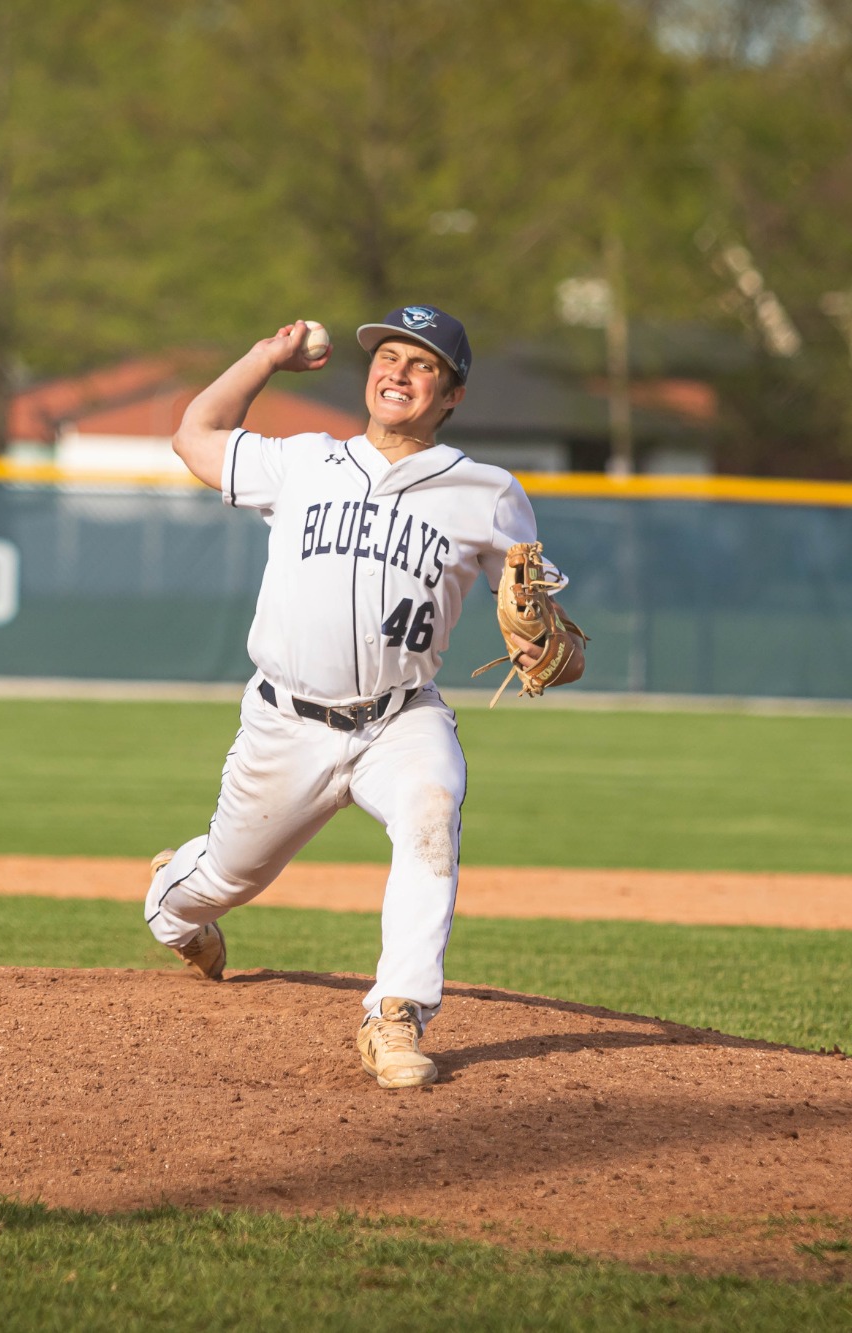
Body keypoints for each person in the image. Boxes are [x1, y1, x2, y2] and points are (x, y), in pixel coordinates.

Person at [143, 305, 583, 1088]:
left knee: (431, 813)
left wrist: (537, 639)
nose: (398, 372)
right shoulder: (305, 461)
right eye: (388, 357)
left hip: (400, 717)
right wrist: (262, 357)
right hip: (286, 723)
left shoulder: (489, 492)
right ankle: (175, 907)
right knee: (223, 880)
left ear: (452, 395)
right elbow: (193, 434)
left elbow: (534, 617)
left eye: (422, 365)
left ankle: (397, 1014)